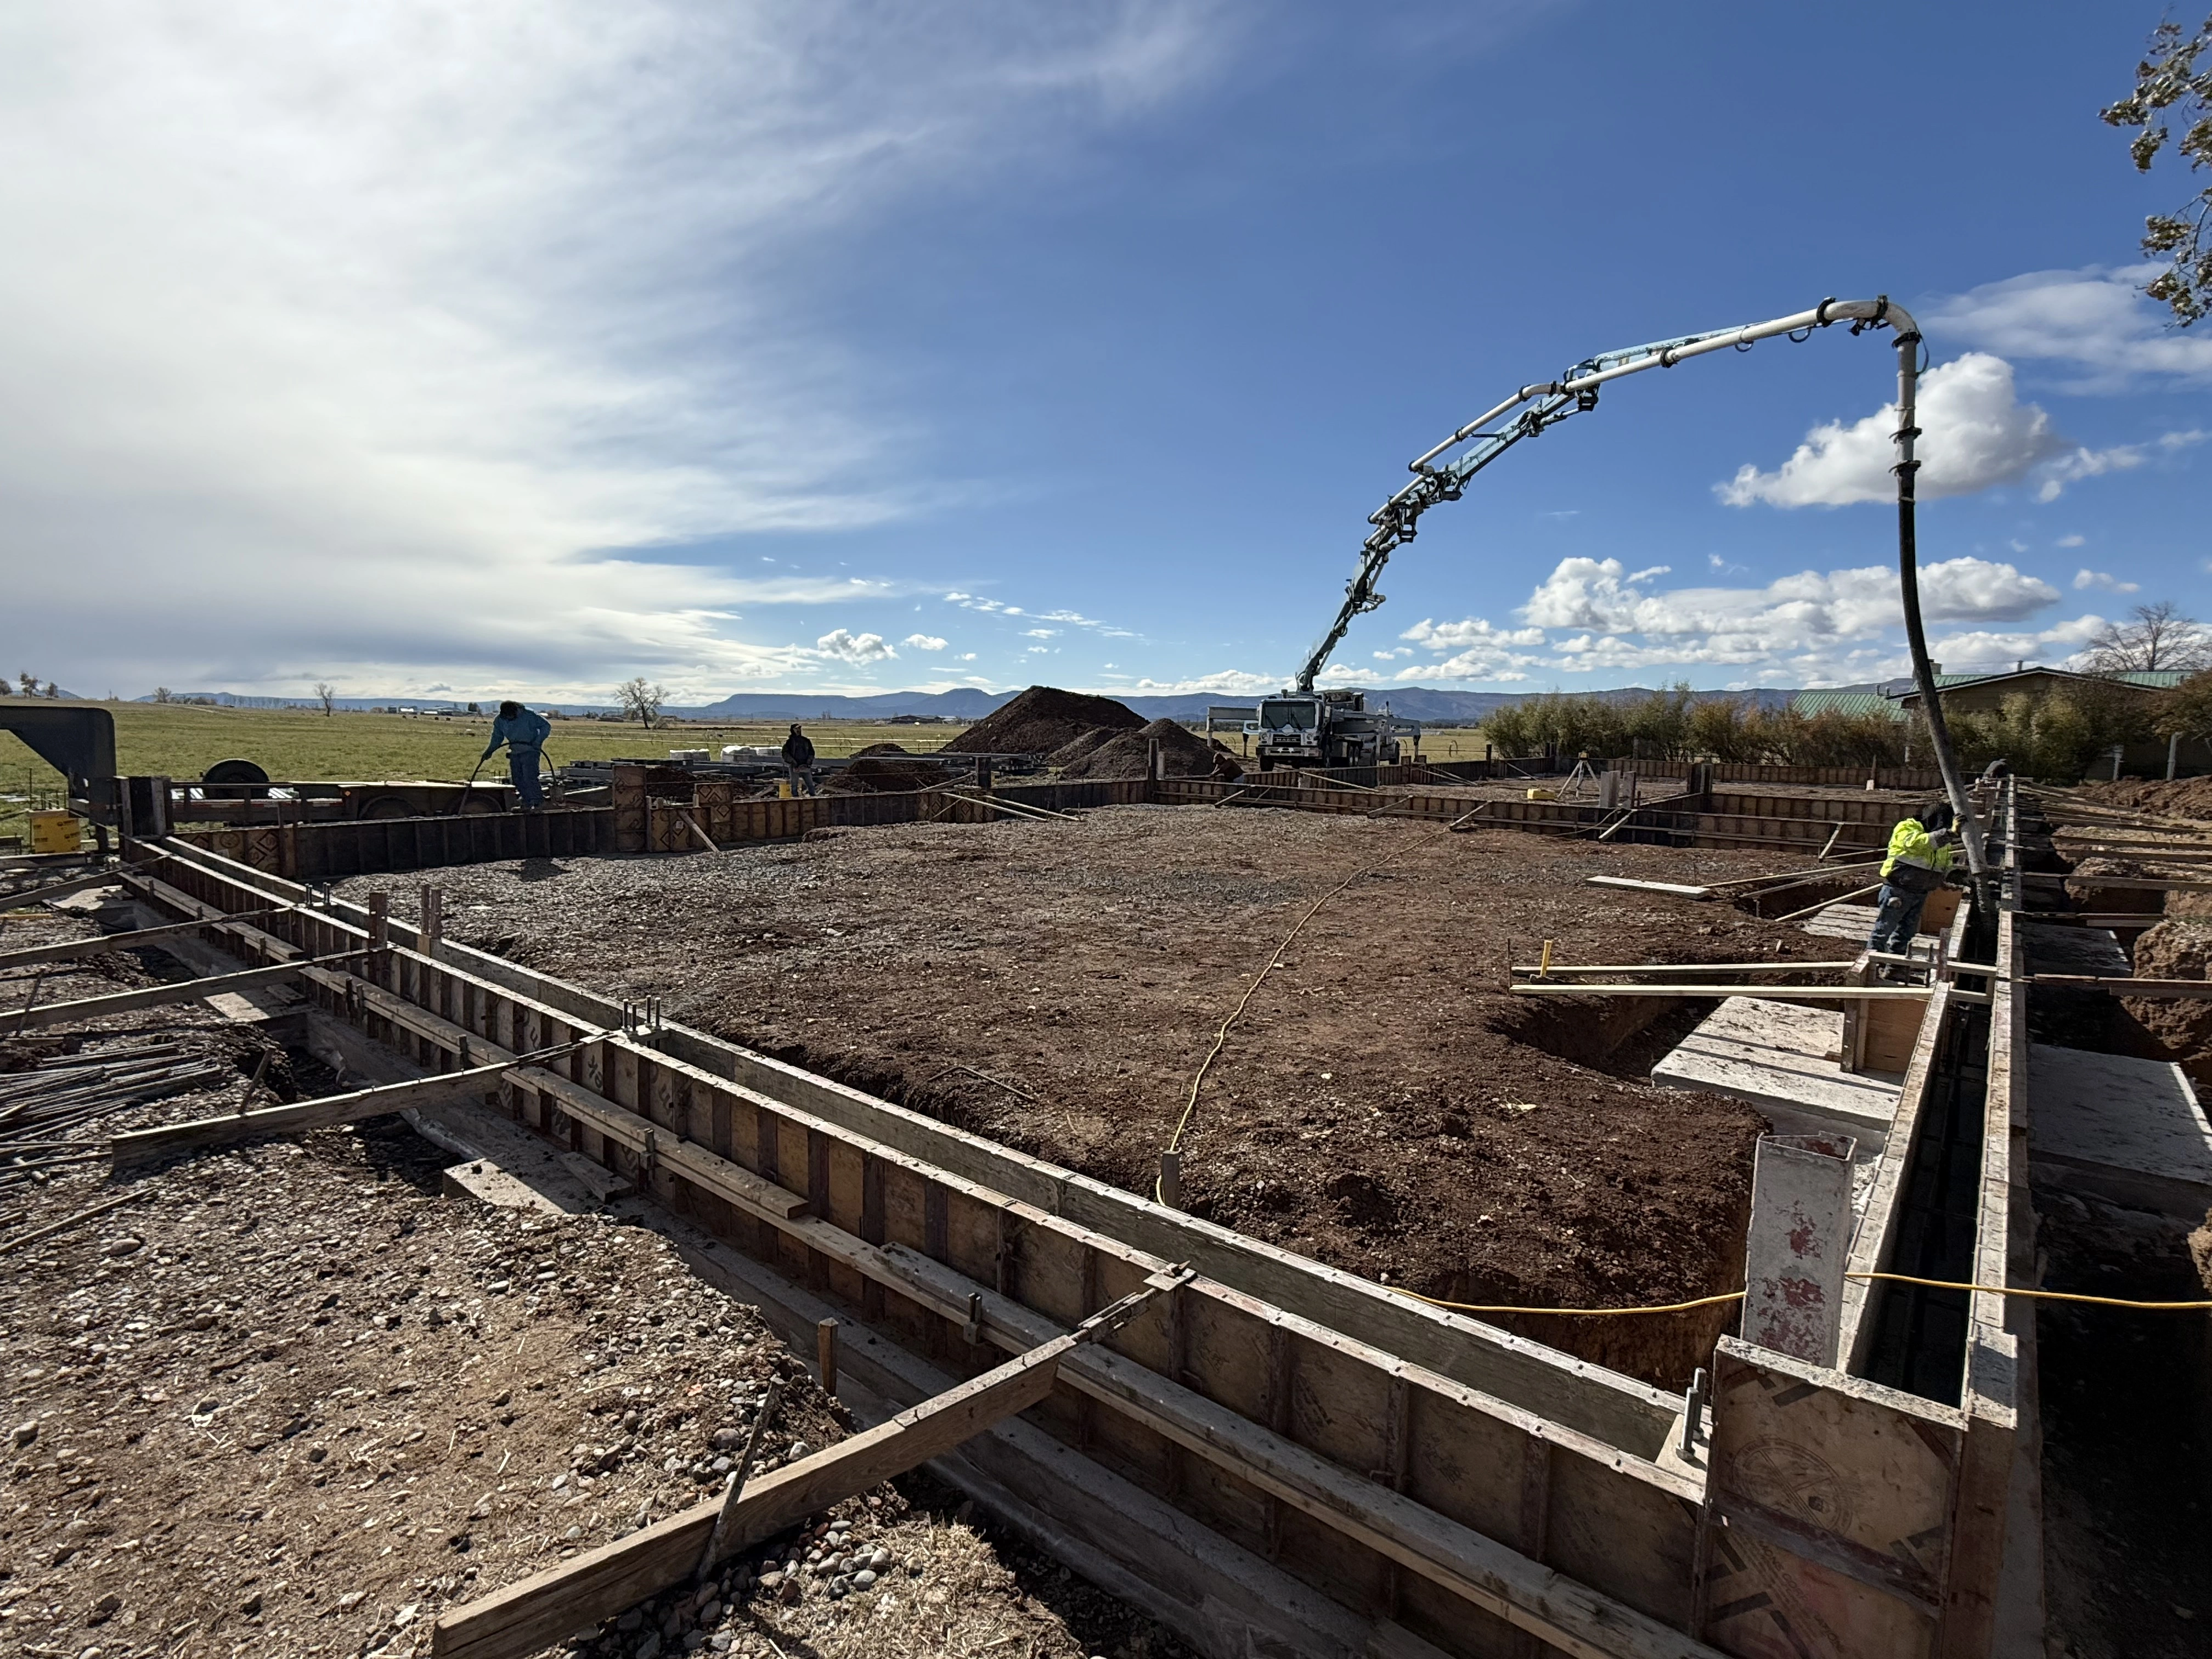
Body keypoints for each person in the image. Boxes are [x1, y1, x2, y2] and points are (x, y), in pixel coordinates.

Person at [1867, 801, 1956, 963]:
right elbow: (1917, 844)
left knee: (1906, 933)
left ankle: (1894, 966)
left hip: (1920, 892)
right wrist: (1947, 834)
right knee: (1884, 929)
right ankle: (1872, 965)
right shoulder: (1909, 827)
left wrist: (1955, 877)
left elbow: (1943, 865)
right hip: (1898, 889)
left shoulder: (1941, 838)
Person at [482, 701, 551, 811]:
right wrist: (490, 751)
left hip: (530, 751)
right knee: (517, 779)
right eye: (507, 716)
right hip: (515, 751)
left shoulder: (529, 715)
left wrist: (537, 742)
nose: (509, 718)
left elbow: (546, 727)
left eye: (511, 716)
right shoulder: (500, 721)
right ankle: (526, 803)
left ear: (516, 711)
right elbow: (497, 737)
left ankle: (538, 803)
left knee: (530, 777)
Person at [781, 722, 817, 797]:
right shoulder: (789, 742)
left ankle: (813, 797)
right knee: (794, 784)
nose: (798, 730)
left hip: (805, 766)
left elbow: (811, 752)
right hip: (795, 766)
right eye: (796, 729)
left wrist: (809, 761)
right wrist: (793, 762)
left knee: (810, 783)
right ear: (792, 730)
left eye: (799, 728)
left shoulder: (806, 741)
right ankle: (795, 798)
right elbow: (785, 754)